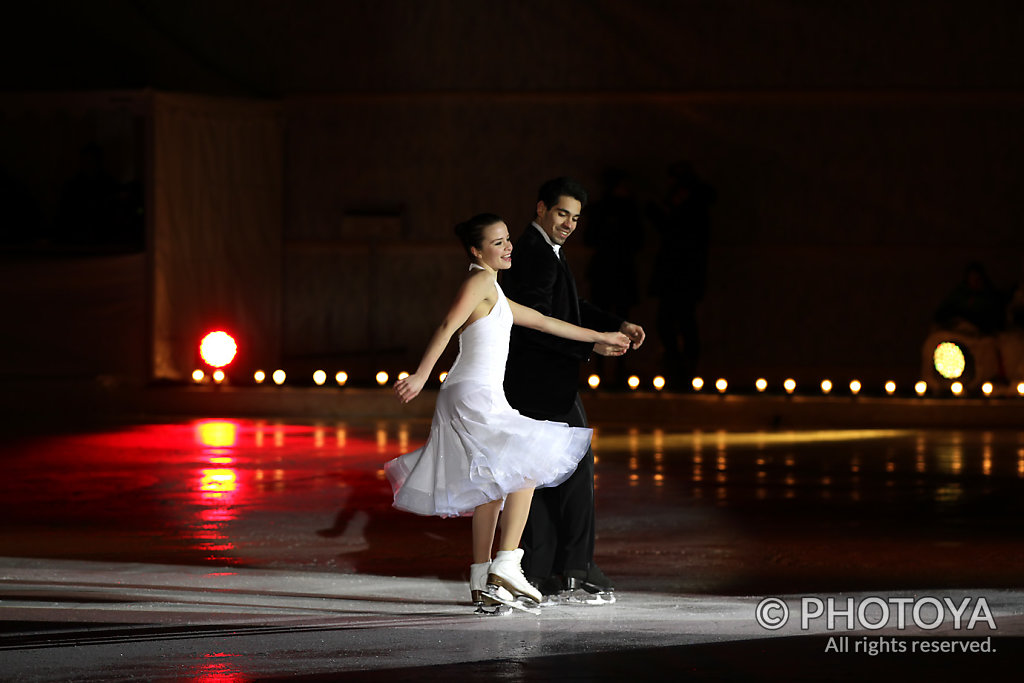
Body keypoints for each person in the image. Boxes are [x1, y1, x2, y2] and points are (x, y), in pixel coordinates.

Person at [385, 212, 631, 612]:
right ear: (476, 250)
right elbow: (448, 323)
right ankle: (507, 565)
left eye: (507, 240)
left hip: (481, 394)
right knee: (527, 463)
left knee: (492, 487)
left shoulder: (495, 292)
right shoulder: (479, 280)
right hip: (471, 393)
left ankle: (482, 579)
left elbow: (546, 322)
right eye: (497, 242)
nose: (507, 247)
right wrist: (420, 374)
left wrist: (600, 337)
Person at [502, 177, 645, 601]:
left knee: (547, 477)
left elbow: (569, 309)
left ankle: (549, 568)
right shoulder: (536, 254)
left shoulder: (543, 251)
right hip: (544, 382)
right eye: (562, 213)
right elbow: (538, 322)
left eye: (576, 218)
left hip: (542, 380)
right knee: (575, 475)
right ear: (541, 207)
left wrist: (614, 324)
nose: (568, 224)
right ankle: (575, 567)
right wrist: (593, 340)